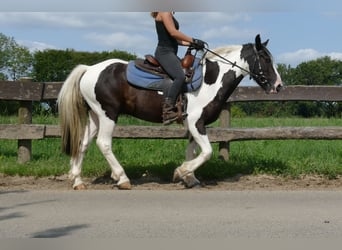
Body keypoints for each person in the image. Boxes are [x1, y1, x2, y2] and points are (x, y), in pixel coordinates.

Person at [151, 12, 206, 125]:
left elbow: (174, 39)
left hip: (170, 52)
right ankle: (168, 111)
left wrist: (191, 44)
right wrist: (193, 39)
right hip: (164, 53)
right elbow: (173, 32)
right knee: (180, 76)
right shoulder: (164, 11)